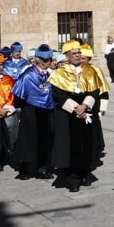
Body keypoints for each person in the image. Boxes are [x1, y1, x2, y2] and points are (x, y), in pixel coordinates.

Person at [48, 40, 105, 193]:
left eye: (79, 53)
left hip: (86, 109)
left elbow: (94, 91)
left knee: (86, 143)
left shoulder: (90, 70)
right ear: (66, 56)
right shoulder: (59, 73)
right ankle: (72, 176)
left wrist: (85, 106)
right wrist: (75, 108)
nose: (78, 56)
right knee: (70, 145)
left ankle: (85, 172)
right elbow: (58, 94)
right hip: (68, 112)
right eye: (74, 53)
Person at [11, 44, 57, 180]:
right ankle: (26, 168)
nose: (52, 63)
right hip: (31, 112)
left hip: (47, 111)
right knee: (29, 140)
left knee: (45, 139)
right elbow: (18, 95)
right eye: (50, 60)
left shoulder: (49, 75)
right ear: (43, 61)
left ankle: (43, 167)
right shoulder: (28, 75)